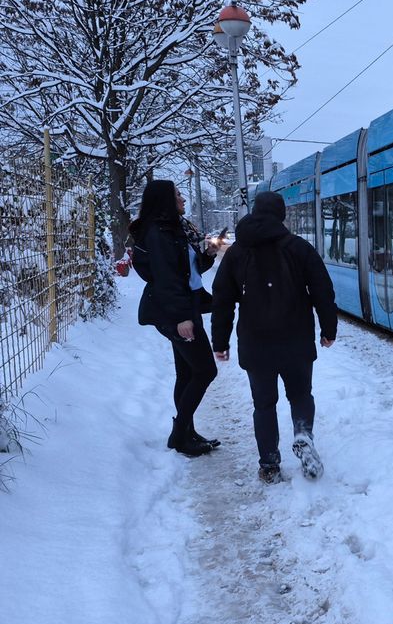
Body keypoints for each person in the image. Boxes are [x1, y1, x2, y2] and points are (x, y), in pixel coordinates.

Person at [211, 191, 337, 484]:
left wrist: (220, 342)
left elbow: (222, 300)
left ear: (255, 212)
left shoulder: (237, 253)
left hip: (256, 343)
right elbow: (323, 291)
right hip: (296, 339)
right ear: (281, 215)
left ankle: (269, 465)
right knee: (301, 395)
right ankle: (303, 433)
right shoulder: (299, 248)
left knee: (263, 404)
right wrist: (328, 330)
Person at [129, 180, 220, 458]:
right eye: (178, 195)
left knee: (188, 372)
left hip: (185, 305)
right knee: (205, 371)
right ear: (166, 200)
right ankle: (180, 434)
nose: (182, 199)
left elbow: (188, 270)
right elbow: (168, 280)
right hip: (174, 310)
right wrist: (182, 318)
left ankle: (186, 432)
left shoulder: (175, 228)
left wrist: (207, 255)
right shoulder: (159, 233)